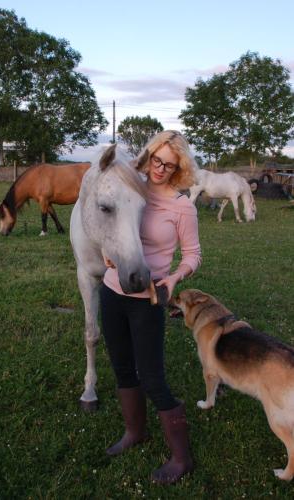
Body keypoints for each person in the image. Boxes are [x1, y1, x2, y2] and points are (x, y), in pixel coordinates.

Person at [99, 130, 202, 484]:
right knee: (123, 369)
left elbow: (193, 254)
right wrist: (104, 251)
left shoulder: (181, 205)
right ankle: (134, 432)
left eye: (168, 165)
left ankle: (181, 458)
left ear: (179, 167)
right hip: (111, 292)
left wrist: (174, 278)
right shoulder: (132, 186)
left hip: (149, 298)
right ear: (148, 156)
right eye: (156, 160)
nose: (159, 169)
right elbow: (107, 223)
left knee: (153, 378)